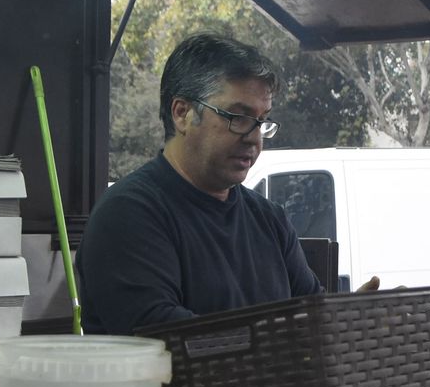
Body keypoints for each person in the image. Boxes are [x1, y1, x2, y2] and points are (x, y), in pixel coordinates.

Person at [77, 33, 322, 335]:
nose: (254, 138)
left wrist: (350, 319)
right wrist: (279, 337)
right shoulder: (128, 214)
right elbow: (166, 341)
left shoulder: (269, 219)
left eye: (261, 122)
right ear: (182, 113)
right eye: (238, 117)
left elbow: (314, 317)